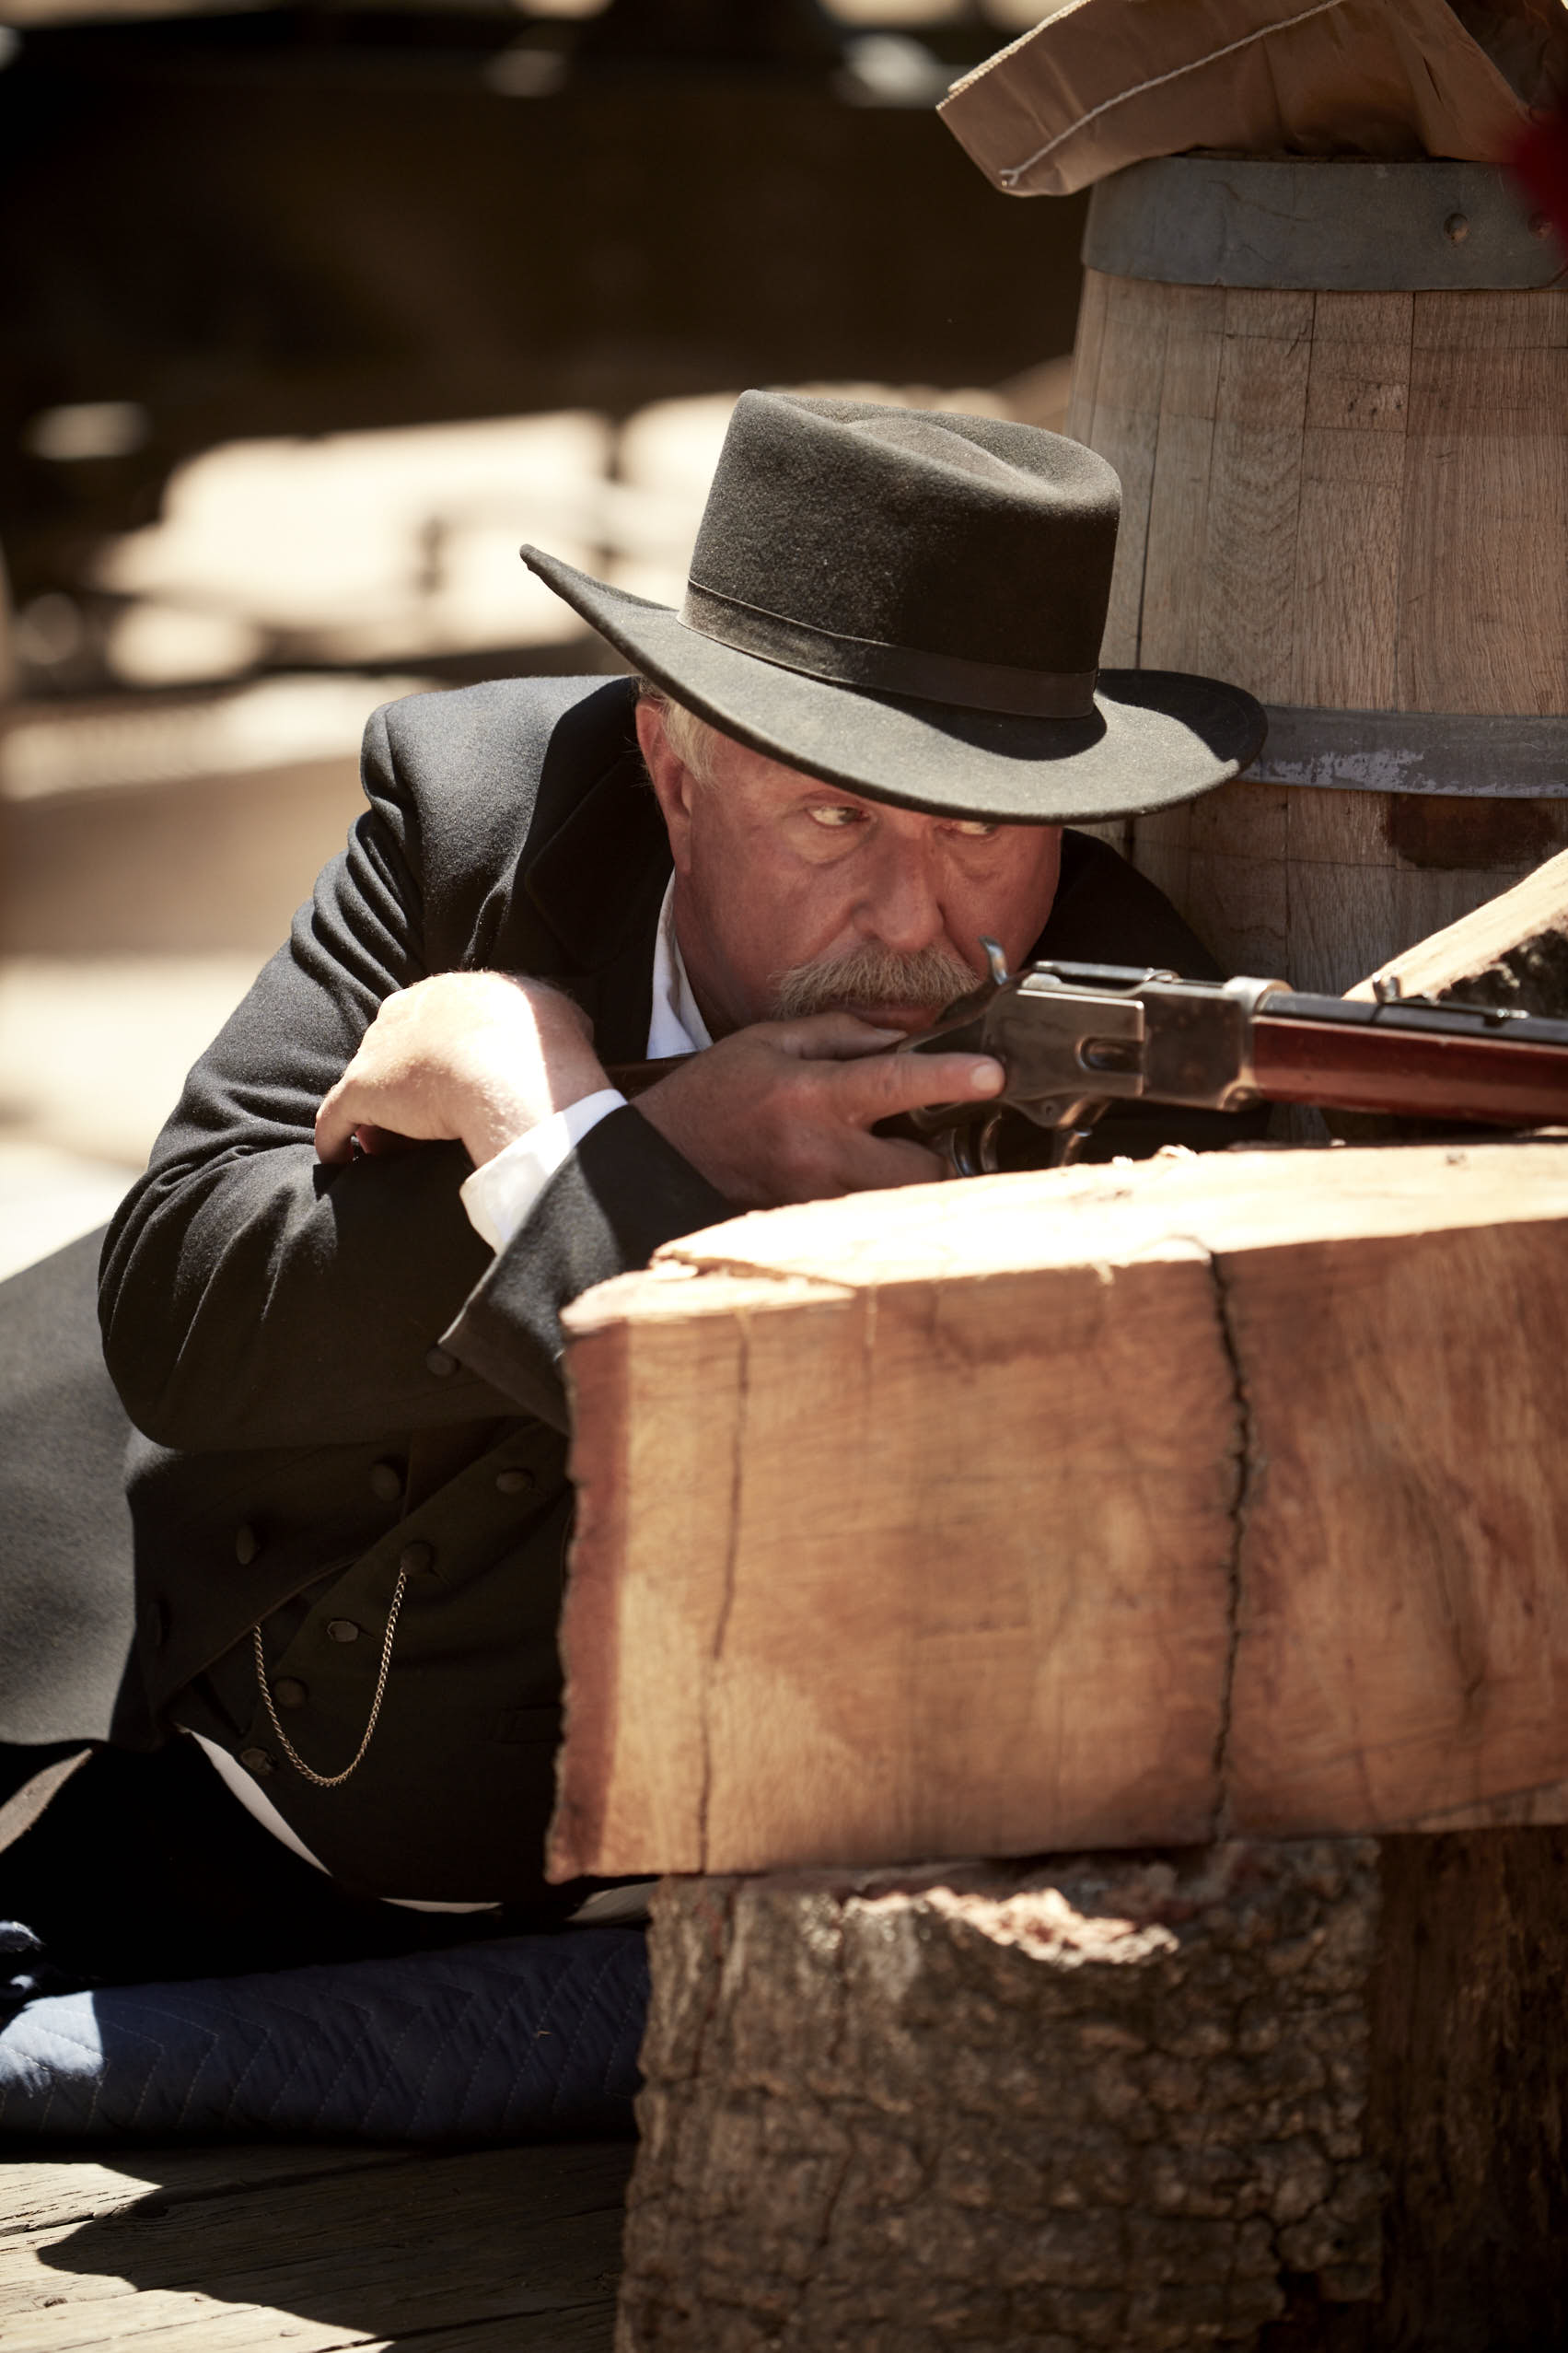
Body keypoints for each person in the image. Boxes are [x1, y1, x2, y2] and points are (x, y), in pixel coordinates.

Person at [0, 392, 1262, 1981]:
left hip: (569, 1912)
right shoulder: (484, 810)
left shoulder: (1139, 1030)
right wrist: (649, 1133)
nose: (914, 916)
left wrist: (555, 1127)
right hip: (116, 1677)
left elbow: (886, 1565)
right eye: (836, 813)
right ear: (676, 766)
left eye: (981, 833)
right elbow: (178, 1303)